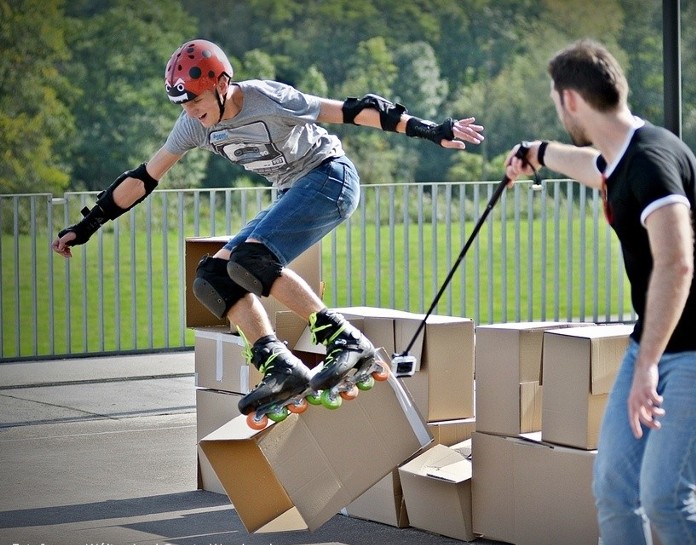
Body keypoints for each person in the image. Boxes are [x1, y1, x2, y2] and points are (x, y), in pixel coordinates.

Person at [53, 38, 484, 416]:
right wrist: (88, 225)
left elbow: (355, 111)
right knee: (213, 279)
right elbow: (145, 176)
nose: (193, 113)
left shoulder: (267, 98)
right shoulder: (192, 126)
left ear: (222, 85)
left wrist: (431, 130)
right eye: (185, 105)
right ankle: (279, 365)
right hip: (290, 191)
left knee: (252, 260)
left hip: (330, 176)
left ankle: (347, 341)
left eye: (197, 101)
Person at [503, 39, 696, 545]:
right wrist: (539, 153)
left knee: (666, 499)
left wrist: (646, 365)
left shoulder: (653, 161)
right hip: (660, 347)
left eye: (555, 100)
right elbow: (595, 167)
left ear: (571, 100)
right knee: (615, 492)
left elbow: (677, 263)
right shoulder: (621, 157)